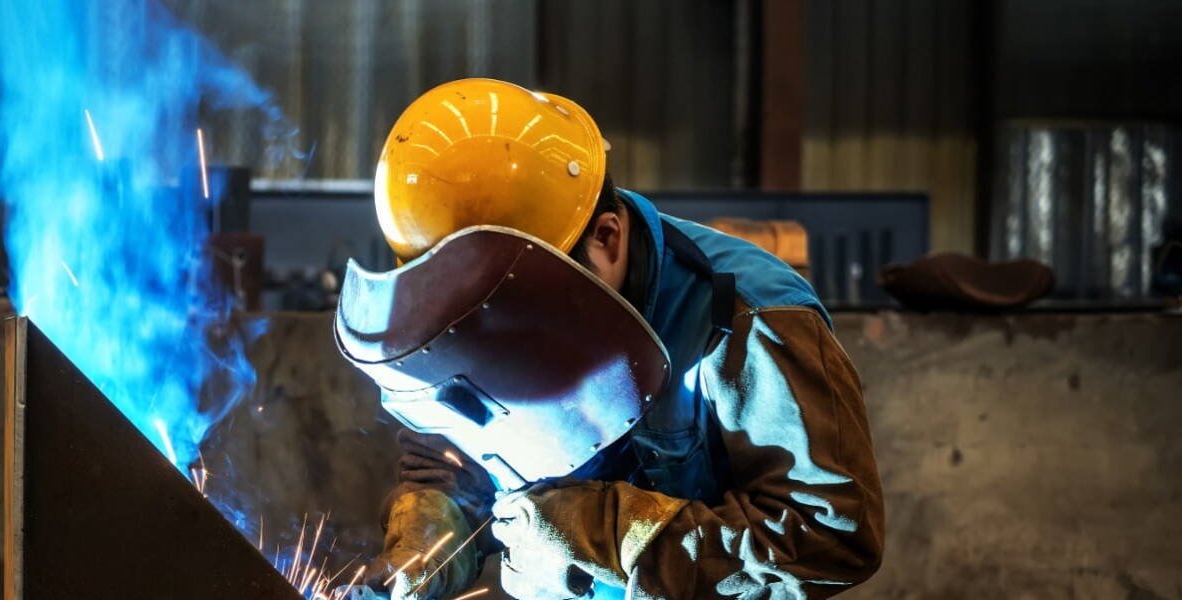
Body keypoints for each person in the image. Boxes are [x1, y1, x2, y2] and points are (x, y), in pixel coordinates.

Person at [334, 78, 884, 599]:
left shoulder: (751, 318)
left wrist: (608, 531)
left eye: (527, 302)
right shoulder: (468, 311)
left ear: (607, 237)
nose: (508, 332)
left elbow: (831, 539)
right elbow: (454, 472)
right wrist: (425, 544)